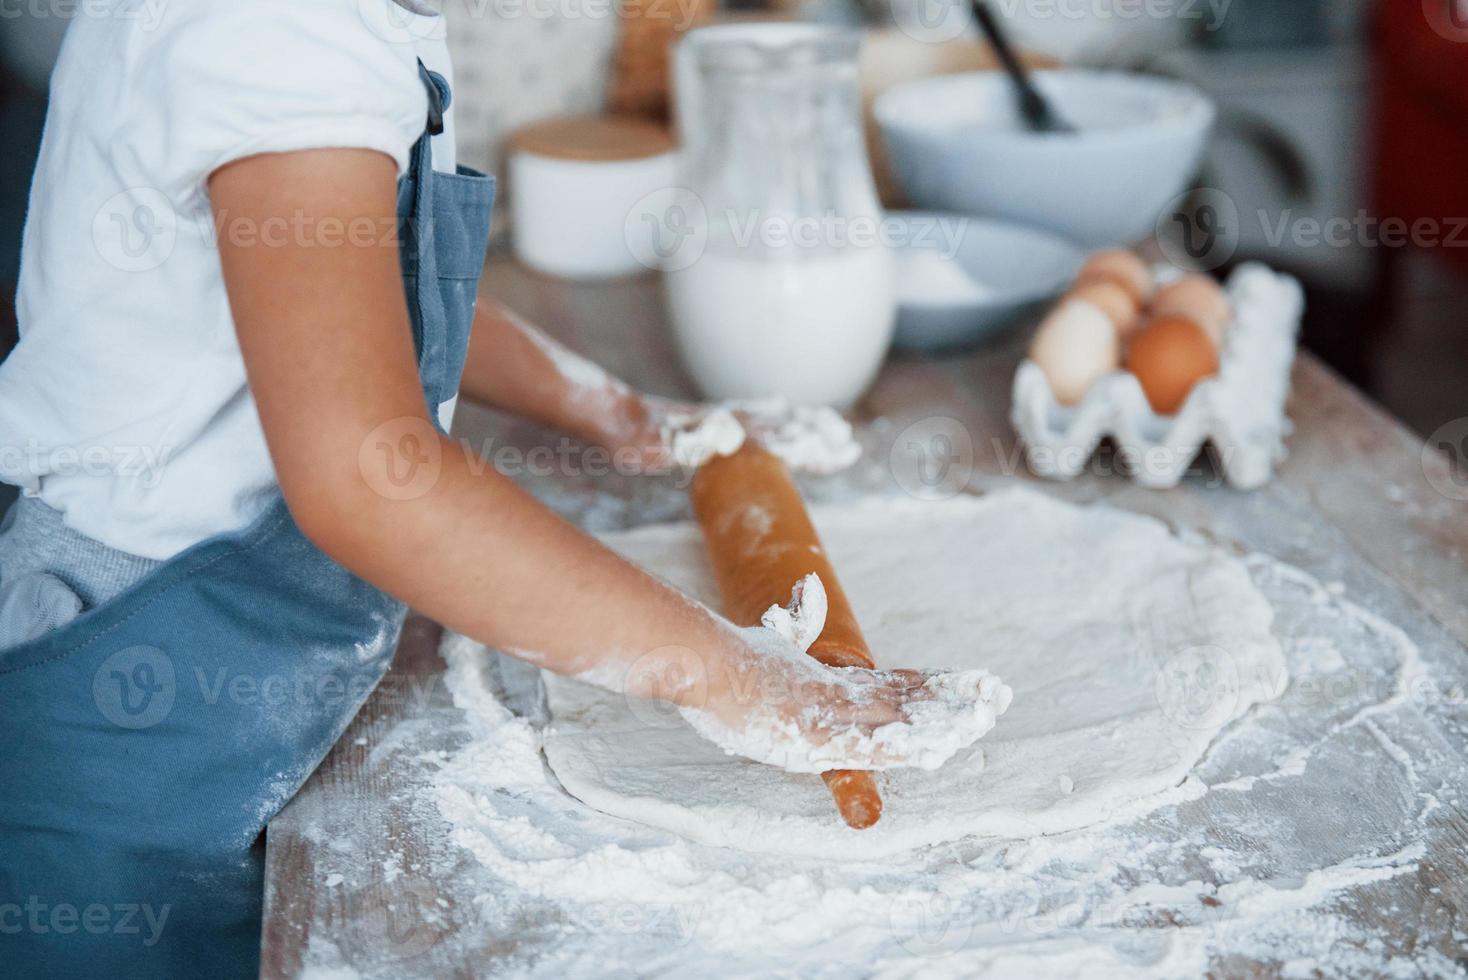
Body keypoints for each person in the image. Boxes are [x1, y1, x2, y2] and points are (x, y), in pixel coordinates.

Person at [0, 2, 965, 976]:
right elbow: (365, 476)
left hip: (227, 675)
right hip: (132, 713)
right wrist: (733, 675)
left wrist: (611, 407)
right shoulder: (274, 31)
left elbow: (359, 280)